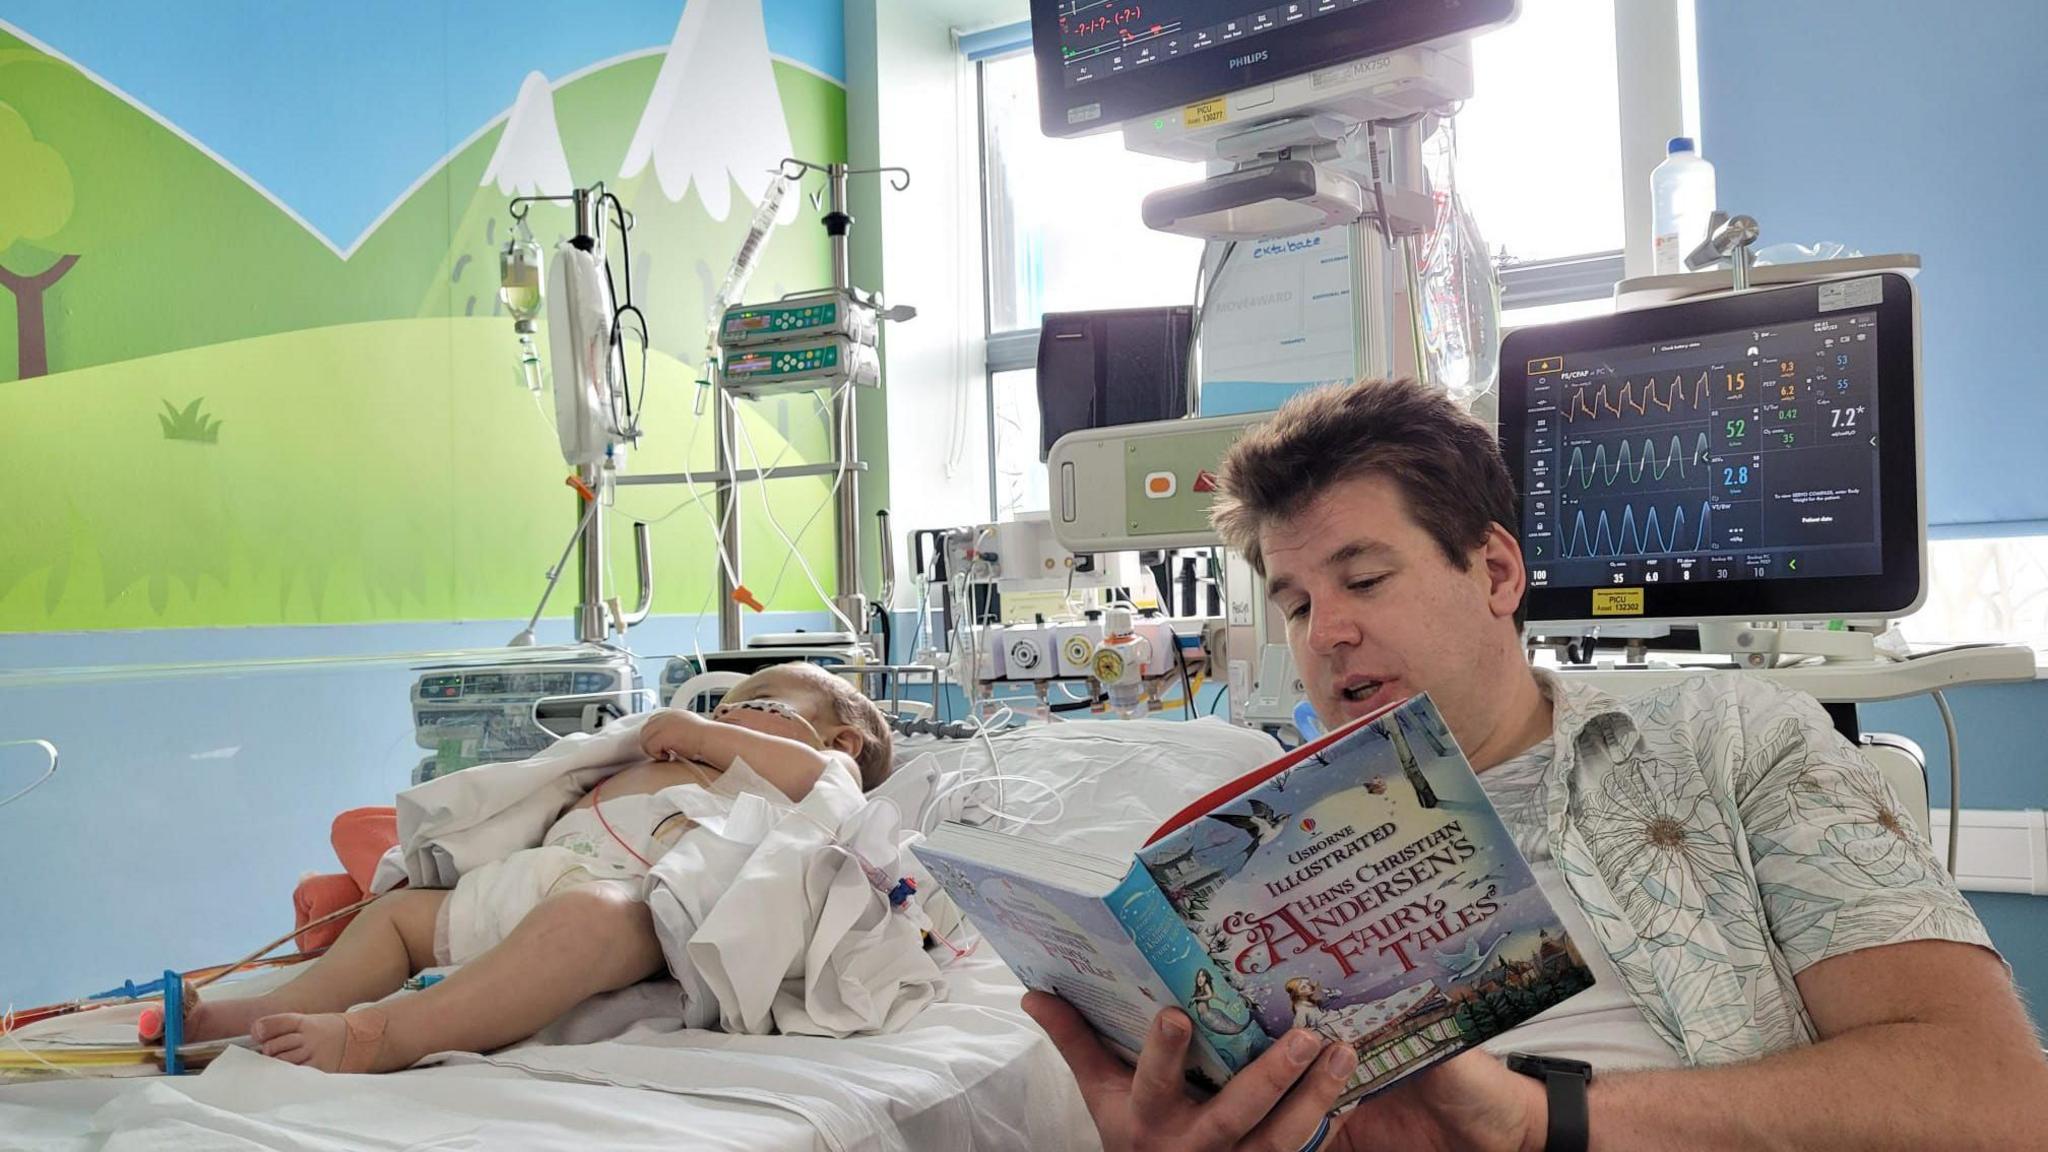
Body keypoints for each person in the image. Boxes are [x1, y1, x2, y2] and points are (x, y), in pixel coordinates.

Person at [1023, 378, 2048, 1151]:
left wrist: (1533, 1122)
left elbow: (1990, 1098)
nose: (1325, 631)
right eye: (1293, 604)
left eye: (1364, 578)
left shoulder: (1729, 748)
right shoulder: (1234, 867)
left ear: (1495, 572)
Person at [178, 662, 892, 1073]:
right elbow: (549, 787)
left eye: (755, 706)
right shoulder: (665, 758)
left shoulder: (820, 769)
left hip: (646, 908)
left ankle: (389, 1034)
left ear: (843, 740)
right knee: (394, 917)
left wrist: (701, 732)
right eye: (722, 706)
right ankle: (257, 1011)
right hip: (537, 873)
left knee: (588, 922)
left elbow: (819, 792)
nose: (728, 714)